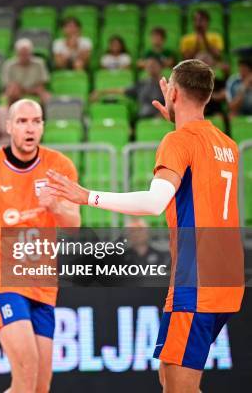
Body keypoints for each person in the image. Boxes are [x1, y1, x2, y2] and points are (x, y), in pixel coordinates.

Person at [46, 59, 243, 393]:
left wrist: (86, 196)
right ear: (208, 96)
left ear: (174, 93)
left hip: (196, 278)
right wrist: (179, 120)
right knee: (169, 376)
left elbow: (154, 203)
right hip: (226, 276)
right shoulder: (227, 144)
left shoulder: (178, 142)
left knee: (180, 387)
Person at [0, 99, 80, 393]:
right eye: (22, 121)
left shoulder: (59, 166)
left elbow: (73, 225)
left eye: (36, 121)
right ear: (8, 126)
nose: (30, 128)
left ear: (43, 127)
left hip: (42, 278)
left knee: (40, 386)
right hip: (2, 274)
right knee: (25, 372)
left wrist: (57, 207)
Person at [93, 56, 164, 119]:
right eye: (148, 65)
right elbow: (121, 90)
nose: (150, 67)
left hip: (163, 118)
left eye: (153, 65)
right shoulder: (142, 84)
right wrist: (101, 92)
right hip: (142, 118)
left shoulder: (167, 85)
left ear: (160, 66)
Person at [1, 38, 50, 104]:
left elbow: (42, 83)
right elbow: (7, 85)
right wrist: (18, 88)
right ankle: (11, 112)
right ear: (17, 53)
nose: (24, 57)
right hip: (17, 90)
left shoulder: (39, 63)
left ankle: (43, 113)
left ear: (31, 53)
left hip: (35, 90)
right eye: (21, 54)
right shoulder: (9, 65)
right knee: (12, 90)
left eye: (26, 54)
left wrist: (30, 90)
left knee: (45, 95)